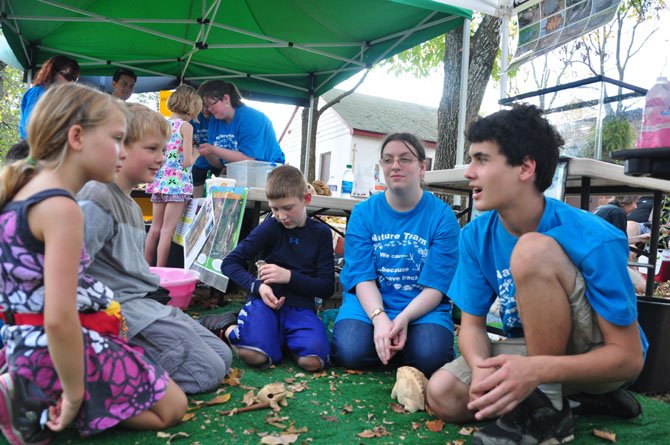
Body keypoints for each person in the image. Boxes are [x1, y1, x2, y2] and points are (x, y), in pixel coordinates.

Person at [425, 104, 646, 445]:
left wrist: (537, 370)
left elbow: (628, 359)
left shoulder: (595, 238)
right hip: (534, 350)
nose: (469, 172)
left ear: (526, 167)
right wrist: (481, 368)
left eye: (482, 159)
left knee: (531, 249)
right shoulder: (474, 235)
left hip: (598, 358)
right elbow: (472, 326)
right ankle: (577, 400)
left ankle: (547, 411)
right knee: (444, 395)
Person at [0, 83, 186, 444]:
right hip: (50, 345)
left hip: (19, 339)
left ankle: (30, 388)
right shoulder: (62, 208)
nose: (122, 151)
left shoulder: (22, 192)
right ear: (77, 137)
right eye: (117, 138)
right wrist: (74, 393)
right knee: (172, 408)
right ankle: (39, 396)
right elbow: (58, 318)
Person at [78, 102, 233, 395]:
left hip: (146, 304)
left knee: (223, 357)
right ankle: (103, 370)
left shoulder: (133, 208)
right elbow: (68, 273)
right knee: (206, 374)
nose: (161, 159)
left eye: (163, 150)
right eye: (152, 149)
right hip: (121, 312)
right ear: (120, 147)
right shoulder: (97, 198)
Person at [331, 133, 460, 377]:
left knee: (430, 356)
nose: (396, 165)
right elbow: (361, 278)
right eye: (388, 160)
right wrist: (379, 318)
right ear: (382, 167)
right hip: (369, 304)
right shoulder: (363, 214)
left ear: (422, 168)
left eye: (405, 159)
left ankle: (400, 345)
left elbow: (436, 286)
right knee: (350, 352)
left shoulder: (443, 218)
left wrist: (404, 318)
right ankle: (393, 344)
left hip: (423, 308)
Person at [198, 165, 333, 372]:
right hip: (265, 303)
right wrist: (258, 286)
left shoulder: (321, 233)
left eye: (288, 207)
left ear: (306, 199)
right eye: (274, 208)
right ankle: (228, 328)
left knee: (313, 362)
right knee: (254, 355)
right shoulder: (271, 227)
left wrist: (288, 277)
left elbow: (326, 287)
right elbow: (229, 263)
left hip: (300, 308)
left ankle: (280, 338)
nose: (281, 215)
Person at [144, 85, 200, 267]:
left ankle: (145, 269)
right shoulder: (186, 127)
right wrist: (197, 152)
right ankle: (161, 272)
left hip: (160, 181)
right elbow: (187, 161)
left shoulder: (162, 125)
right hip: (177, 184)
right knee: (168, 231)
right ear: (191, 107)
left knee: (154, 229)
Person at [194, 80, 285, 187]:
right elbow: (219, 163)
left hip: (268, 177)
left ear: (226, 99)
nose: (209, 109)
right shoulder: (215, 121)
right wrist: (206, 152)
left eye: (212, 104)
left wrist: (214, 149)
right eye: (207, 105)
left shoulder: (251, 118)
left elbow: (249, 159)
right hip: (238, 176)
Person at [19, 55, 80, 140]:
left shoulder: (62, 98)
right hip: (32, 149)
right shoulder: (37, 92)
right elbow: (31, 127)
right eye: (68, 76)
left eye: (75, 79)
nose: (72, 82)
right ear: (53, 72)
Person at [191, 106, 213, 198]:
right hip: (199, 162)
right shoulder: (192, 119)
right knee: (197, 197)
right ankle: (196, 211)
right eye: (203, 105)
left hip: (216, 162)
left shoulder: (217, 118)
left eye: (209, 105)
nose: (206, 108)